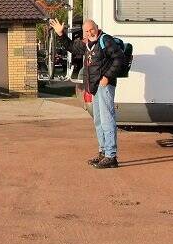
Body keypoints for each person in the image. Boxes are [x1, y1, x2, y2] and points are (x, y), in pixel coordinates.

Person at [50, 18, 125, 169]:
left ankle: (111, 156)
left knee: (107, 120)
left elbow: (119, 59)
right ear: (84, 32)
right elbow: (71, 47)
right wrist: (61, 34)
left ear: (97, 27)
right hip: (95, 87)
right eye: (87, 31)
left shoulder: (105, 40)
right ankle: (103, 152)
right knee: (98, 121)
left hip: (105, 86)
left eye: (92, 29)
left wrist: (107, 77)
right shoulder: (86, 43)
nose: (90, 32)